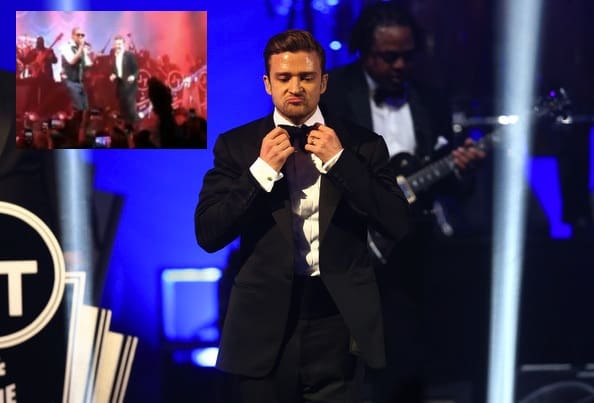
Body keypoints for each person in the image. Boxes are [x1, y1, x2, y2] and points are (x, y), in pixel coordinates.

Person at [195, 29, 409, 402]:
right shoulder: (237, 146)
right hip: (263, 328)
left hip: (339, 324)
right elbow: (208, 234)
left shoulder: (363, 145)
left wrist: (341, 161)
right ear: (268, 84)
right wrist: (261, 171)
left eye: (306, 77)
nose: (295, 87)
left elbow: (398, 223)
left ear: (323, 82)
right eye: (284, 78)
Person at [320, 2, 485, 402]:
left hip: (412, 253)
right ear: (364, 52)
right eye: (388, 56)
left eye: (407, 56)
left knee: (406, 365)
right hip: (349, 250)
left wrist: (462, 170)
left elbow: (450, 189)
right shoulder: (333, 94)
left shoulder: (431, 100)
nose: (400, 65)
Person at [60, 26, 93, 145]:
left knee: (85, 113)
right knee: (78, 111)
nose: (81, 37)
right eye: (78, 35)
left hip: (81, 83)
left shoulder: (81, 48)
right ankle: (71, 139)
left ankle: (80, 139)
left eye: (82, 35)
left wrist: (87, 53)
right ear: (73, 35)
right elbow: (72, 61)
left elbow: (89, 64)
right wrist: (81, 49)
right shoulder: (66, 46)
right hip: (70, 82)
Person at [109, 35, 139, 129]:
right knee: (122, 109)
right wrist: (113, 75)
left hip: (130, 86)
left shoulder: (129, 55)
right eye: (116, 44)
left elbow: (136, 69)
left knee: (130, 108)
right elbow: (115, 70)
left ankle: (134, 128)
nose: (118, 46)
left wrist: (133, 76)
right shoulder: (114, 56)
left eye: (120, 44)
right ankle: (125, 129)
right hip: (120, 85)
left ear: (123, 44)